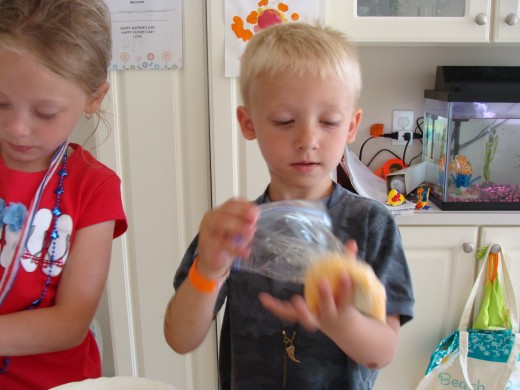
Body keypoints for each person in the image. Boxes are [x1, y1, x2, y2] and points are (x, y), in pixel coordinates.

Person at [164, 22, 414, 389]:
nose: (308, 139)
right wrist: (209, 268)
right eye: (284, 121)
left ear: (351, 126)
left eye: (329, 121)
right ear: (248, 123)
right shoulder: (234, 231)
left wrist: (340, 319)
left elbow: (382, 352)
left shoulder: (370, 224)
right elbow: (180, 339)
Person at [0, 1, 127, 389]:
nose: (18, 129)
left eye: (46, 112)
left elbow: (70, 323)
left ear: (93, 99)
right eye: (0, 103)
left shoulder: (94, 187)